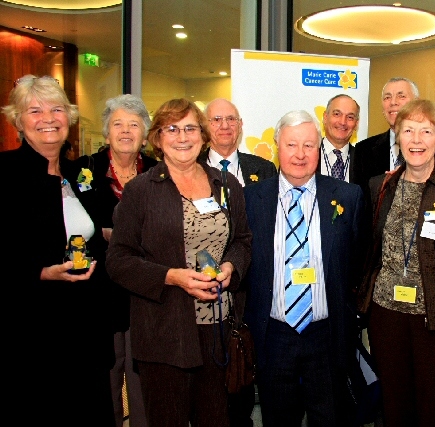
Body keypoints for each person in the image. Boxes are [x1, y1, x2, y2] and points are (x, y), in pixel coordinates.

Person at [106, 98, 252, 427]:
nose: (182, 136)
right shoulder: (142, 190)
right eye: (171, 128)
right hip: (164, 331)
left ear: (203, 136)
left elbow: (242, 240)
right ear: (157, 138)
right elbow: (118, 259)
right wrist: (172, 277)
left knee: (216, 418)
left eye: (189, 128)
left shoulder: (226, 185)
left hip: (218, 328)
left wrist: (231, 267)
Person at [357, 99, 435, 426]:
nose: (416, 140)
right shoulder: (379, 186)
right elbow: (370, 248)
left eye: (426, 131)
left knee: (432, 410)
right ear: (397, 137)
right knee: (395, 408)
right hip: (386, 316)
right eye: (408, 130)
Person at [0, 74, 115, 425]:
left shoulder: (79, 174)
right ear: (18, 121)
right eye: (34, 110)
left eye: (57, 109)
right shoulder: (4, 174)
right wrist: (41, 272)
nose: (48, 118)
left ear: (70, 117)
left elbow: (97, 235)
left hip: (85, 329)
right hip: (33, 333)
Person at [243, 110, 364, 427]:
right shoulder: (251, 198)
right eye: (291, 145)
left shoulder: (348, 196)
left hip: (327, 333)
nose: (300, 154)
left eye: (309, 145)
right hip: (274, 333)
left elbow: (358, 263)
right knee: (278, 418)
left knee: (330, 418)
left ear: (319, 147)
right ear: (276, 146)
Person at [76, 94, 158, 427]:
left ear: (144, 133)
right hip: (99, 296)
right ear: (107, 131)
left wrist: (117, 235)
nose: (126, 131)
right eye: (118, 124)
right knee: (105, 381)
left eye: (134, 125)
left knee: (144, 385)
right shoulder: (84, 170)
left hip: (146, 297)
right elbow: (76, 230)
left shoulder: (158, 172)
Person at [203, 97, 277, 427]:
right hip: (202, 287)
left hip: (252, 286)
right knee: (207, 376)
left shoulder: (263, 169)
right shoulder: (190, 169)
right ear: (205, 127)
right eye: (216, 119)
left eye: (231, 119)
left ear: (241, 125)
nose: (224, 126)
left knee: (242, 372)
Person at [353, 77, 435, 195]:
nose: (393, 102)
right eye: (387, 97)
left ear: (417, 101)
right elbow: (361, 203)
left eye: (401, 96)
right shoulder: (364, 150)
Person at [316, 94, 359, 182]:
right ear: (325, 117)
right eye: (337, 114)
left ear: (356, 124)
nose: (343, 122)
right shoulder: (307, 155)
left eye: (350, 117)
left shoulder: (364, 160)